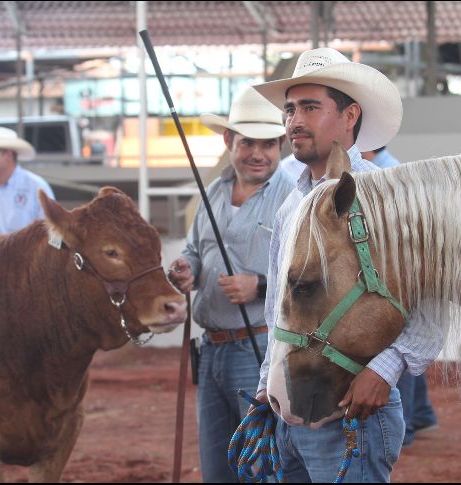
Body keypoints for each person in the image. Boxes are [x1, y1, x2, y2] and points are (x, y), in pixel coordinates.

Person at [252, 47, 444, 482]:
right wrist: (267, 385)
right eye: (290, 110)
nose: (294, 121)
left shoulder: (386, 198)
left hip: (351, 412)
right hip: (290, 411)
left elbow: (432, 301)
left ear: (350, 114)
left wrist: (385, 370)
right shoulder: (291, 206)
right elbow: (279, 311)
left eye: (310, 107)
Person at [167, 85, 295, 483]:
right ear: (229, 141)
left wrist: (259, 286)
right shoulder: (213, 193)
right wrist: (186, 270)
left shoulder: (293, 197)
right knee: (216, 465)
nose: (258, 153)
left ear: (280, 146)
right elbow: (194, 250)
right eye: (247, 143)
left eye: (268, 144)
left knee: (261, 465)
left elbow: (309, 275)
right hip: (211, 350)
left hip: (259, 348)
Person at [360, 147, 441, 448]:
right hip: (399, 277)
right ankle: (420, 414)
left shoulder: (385, 177)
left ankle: (407, 424)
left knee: (398, 346)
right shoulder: (392, 171)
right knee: (407, 349)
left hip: (394, 278)